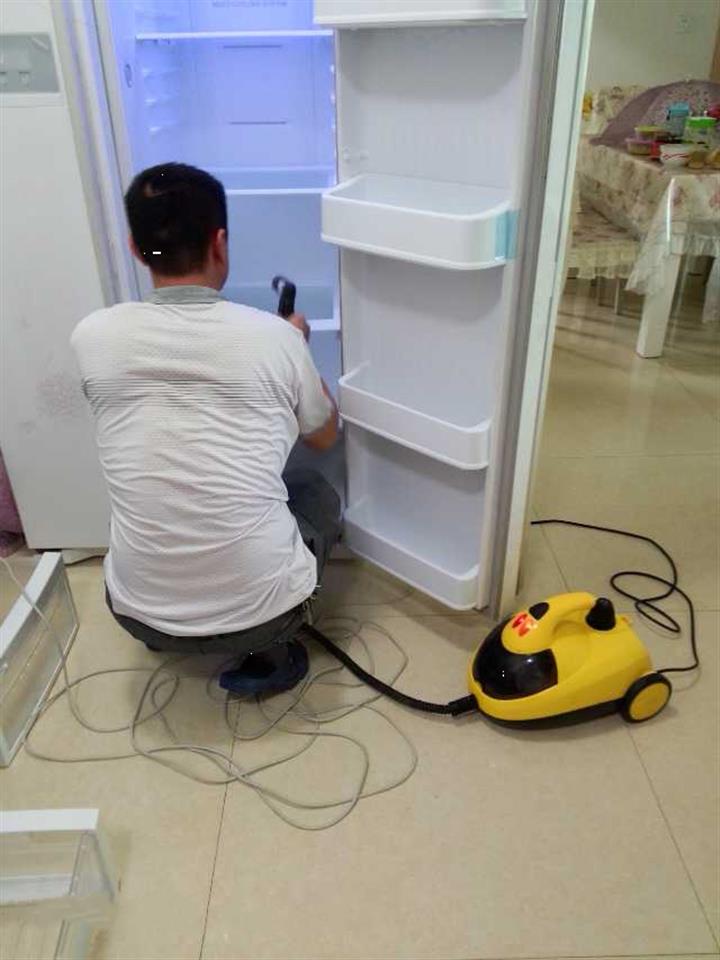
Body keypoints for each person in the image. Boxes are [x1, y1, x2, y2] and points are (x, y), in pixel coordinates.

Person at [71, 162, 341, 694]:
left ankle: (167, 633)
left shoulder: (92, 336)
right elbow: (323, 435)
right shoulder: (275, 340)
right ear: (220, 243)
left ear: (134, 247)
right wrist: (295, 349)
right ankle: (271, 653)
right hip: (262, 614)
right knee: (314, 492)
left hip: (135, 611)